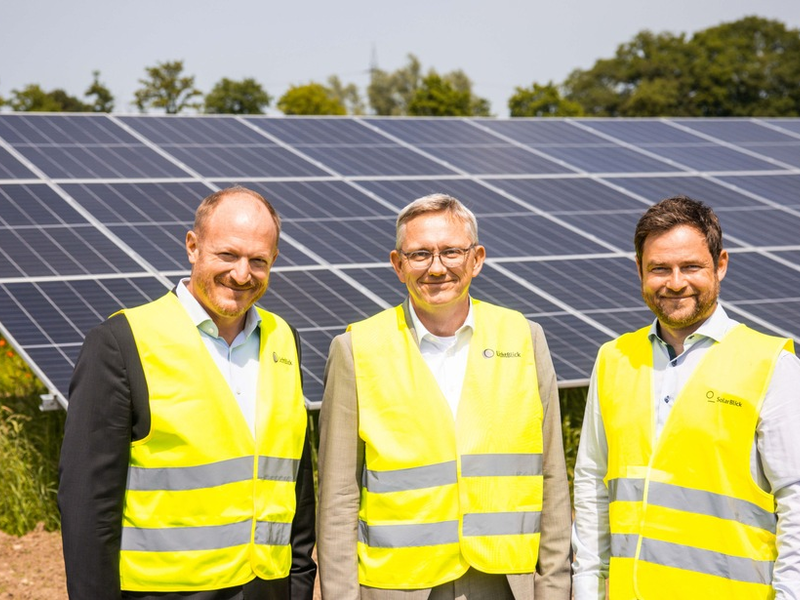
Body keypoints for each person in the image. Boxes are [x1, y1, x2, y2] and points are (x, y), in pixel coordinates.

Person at [59, 186, 316, 600]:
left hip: (267, 589)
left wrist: (299, 583)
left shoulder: (282, 340)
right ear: (193, 247)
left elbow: (295, 480)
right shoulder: (122, 342)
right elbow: (86, 507)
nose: (242, 274)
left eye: (259, 261)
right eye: (227, 255)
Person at [317, 193, 572, 600]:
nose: (437, 268)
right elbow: (338, 498)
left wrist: (554, 589)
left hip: (507, 581)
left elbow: (553, 479)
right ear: (398, 265)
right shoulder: (355, 349)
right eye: (419, 255)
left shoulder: (525, 338)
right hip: (397, 587)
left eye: (451, 251)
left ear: (476, 258)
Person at [572, 195, 800, 599]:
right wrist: (587, 588)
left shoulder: (771, 365)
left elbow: (796, 501)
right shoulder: (614, 359)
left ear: (721, 265)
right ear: (639, 270)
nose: (675, 282)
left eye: (691, 266)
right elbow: (592, 487)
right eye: (659, 268)